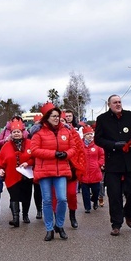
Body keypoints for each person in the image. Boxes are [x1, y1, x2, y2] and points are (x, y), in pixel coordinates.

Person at [30, 102, 81, 241]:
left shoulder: (66, 131)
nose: (56, 118)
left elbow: (73, 148)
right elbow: (34, 150)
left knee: (62, 199)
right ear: (47, 117)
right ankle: (49, 228)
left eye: (58, 116)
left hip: (61, 170)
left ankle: (59, 225)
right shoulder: (38, 132)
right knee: (46, 201)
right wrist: (53, 153)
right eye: (53, 116)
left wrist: (65, 154)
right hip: (44, 171)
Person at [94, 95, 131, 236]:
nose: (118, 104)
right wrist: (114, 145)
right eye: (115, 102)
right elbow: (98, 139)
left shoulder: (130, 115)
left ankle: (128, 213)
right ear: (109, 104)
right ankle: (116, 224)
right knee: (114, 195)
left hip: (130, 161)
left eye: (120, 102)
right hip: (113, 162)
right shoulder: (102, 119)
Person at [0, 118, 34, 227]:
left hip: (26, 176)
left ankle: (25, 215)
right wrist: (0, 169)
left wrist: (28, 162)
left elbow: (34, 157)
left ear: (22, 133)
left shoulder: (30, 143)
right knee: (14, 196)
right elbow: (0, 159)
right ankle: (15, 219)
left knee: (26, 196)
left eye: (18, 132)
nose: (16, 134)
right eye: (14, 132)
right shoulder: (6, 146)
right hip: (12, 176)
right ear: (11, 134)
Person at [80, 125, 104, 213]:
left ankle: (95, 200)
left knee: (96, 190)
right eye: (88, 134)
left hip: (95, 172)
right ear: (84, 135)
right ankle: (87, 207)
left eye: (91, 134)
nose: (90, 136)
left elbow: (102, 155)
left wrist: (99, 163)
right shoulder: (80, 145)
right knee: (85, 192)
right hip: (84, 172)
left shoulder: (97, 145)